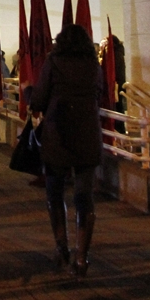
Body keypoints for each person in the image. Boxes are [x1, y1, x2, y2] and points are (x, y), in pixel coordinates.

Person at [31, 24, 104, 278]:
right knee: (84, 197)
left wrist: (29, 92)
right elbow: (100, 96)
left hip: (58, 135)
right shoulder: (94, 66)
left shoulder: (54, 63)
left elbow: (39, 100)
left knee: (55, 192)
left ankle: (61, 247)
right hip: (87, 135)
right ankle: (82, 256)